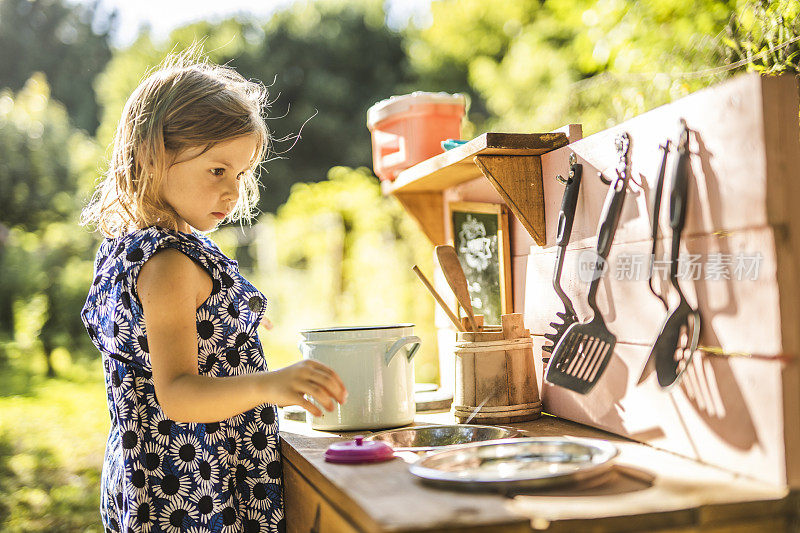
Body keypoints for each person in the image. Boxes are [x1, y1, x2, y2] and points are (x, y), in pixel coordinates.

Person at [80, 51, 347, 533]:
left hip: (159, 486)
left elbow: (178, 333)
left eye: (241, 173)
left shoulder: (137, 249)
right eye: (217, 170)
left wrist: (233, 326)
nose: (233, 192)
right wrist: (272, 384)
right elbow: (178, 394)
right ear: (153, 156)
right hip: (196, 493)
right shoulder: (168, 264)